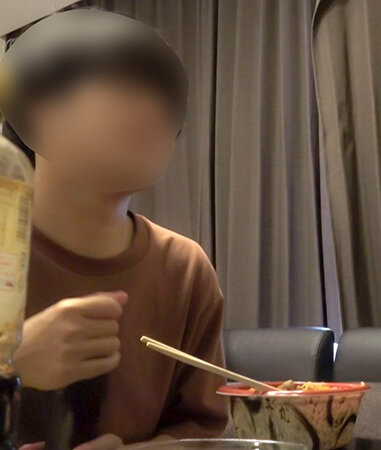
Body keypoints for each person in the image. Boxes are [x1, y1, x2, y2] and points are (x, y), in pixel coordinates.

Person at [0, 9, 229, 448]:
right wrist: (15, 363)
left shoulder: (184, 268)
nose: (156, 107)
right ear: (35, 107)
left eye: (168, 92)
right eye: (123, 82)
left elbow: (201, 431)